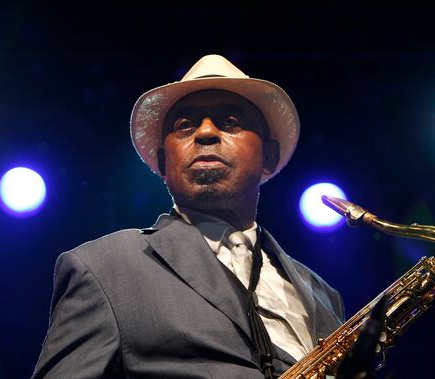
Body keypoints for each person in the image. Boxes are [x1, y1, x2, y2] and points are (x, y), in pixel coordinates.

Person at [32, 54, 345, 379]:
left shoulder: (324, 294)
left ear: (269, 156)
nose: (206, 133)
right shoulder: (103, 269)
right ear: (163, 163)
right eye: (185, 125)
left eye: (230, 121)